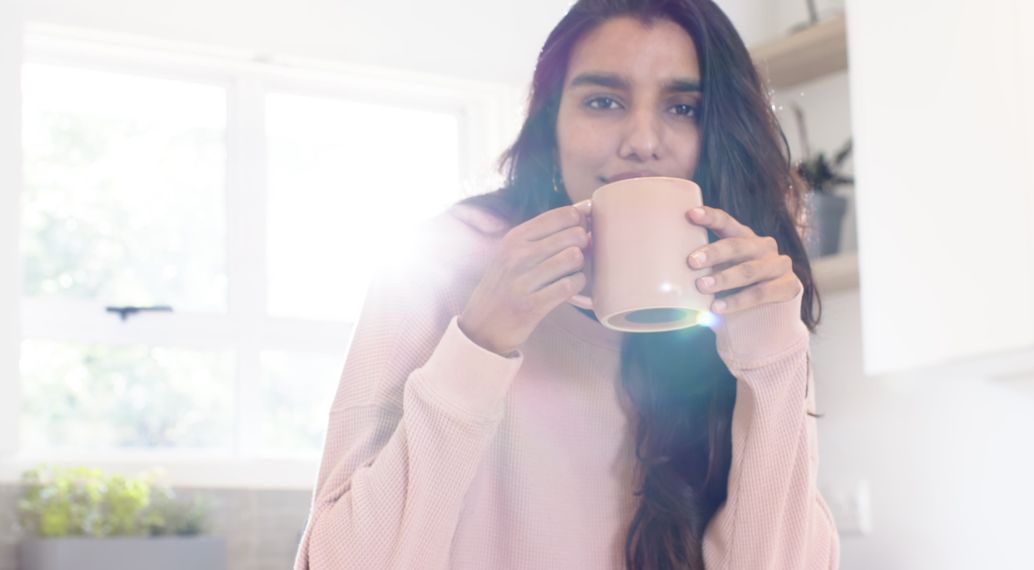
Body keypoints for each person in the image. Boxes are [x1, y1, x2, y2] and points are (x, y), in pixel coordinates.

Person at [294, 0, 839, 567]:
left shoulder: (757, 307)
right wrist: (479, 342)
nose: (643, 140)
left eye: (683, 107)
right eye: (603, 101)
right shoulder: (440, 263)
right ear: (549, 121)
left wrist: (772, 361)